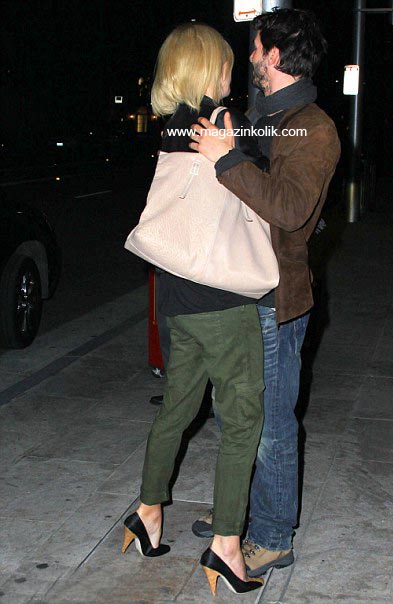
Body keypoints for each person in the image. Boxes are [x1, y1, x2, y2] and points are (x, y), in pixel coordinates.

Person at [189, 8, 341, 577]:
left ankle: (273, 535)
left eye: (255, 48)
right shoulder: (264, 118)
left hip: (276, 299)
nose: (250, 56)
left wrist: (227, 159)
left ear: (273, 56)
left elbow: (291, 208)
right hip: (239, 285)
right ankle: (238, 510)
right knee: (236, 411)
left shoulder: (312, 127)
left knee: (273, 424)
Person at [122, 23, 266, 596]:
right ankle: (227, 546)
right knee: (243, 419)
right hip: (222, 298)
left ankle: (148, 511)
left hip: (176, 297)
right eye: (226, 62)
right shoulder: (225, 123)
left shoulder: (171, 126)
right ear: (209, 67)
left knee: (177, 409)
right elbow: (261, 183)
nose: (233, 70)